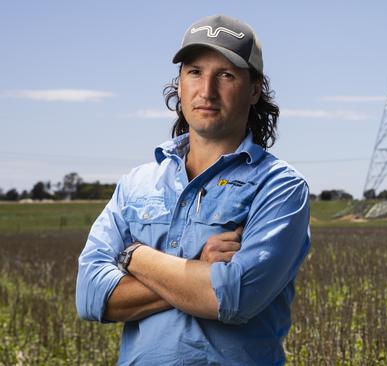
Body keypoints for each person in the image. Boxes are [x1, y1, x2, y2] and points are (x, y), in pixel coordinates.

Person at [75, 14, 311, 365]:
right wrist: (194, 268)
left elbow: (232, 298)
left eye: (226, 75)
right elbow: (91, 297)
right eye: (195, 72)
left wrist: (134, 257)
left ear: (254, 89)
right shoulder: (137, 183)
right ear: (180, 82)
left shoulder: (280, 187)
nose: (207, 90)